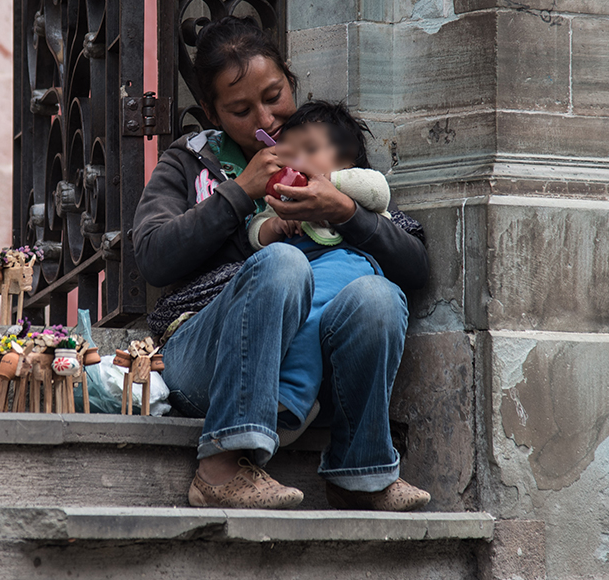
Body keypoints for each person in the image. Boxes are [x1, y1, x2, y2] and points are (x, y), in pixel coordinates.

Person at [131, 15, 432, 511]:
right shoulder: (191, 161)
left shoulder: (322, 149)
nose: (265, 120)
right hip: (205, 362)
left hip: (312, 379)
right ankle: (220, 466)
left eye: (274, 96)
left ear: (290, 80)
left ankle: (360, 474)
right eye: (240, 110)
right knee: (284, 262)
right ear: (211, 112)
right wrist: (239, 193)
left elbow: (414, 267)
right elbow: (153, 256)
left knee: (379, 295)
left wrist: (346, 213)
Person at [246, 100, 394, 444]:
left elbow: (379, 191)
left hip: (348, 264)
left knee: (311, 315)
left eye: (310, 150)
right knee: (295, 315)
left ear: (346, 160)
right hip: (302, 270)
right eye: (290, 153)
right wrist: (276, 225)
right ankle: (288, 399)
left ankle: (291, 396)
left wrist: (330, 182)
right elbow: (255, 233)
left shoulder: (353, 182)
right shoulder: (285, 200)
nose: (298, 161)